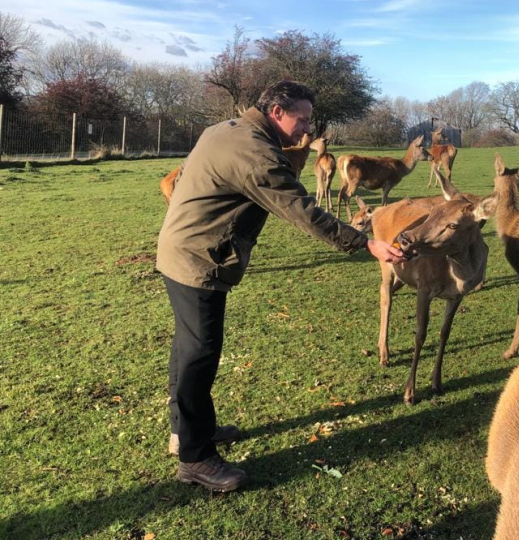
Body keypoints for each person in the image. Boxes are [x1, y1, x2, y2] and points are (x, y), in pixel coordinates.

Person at [156, 80, 405, 492]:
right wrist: (365, 241)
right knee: (200, 352)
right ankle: (195, 458)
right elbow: (301, 210)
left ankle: (186, 431)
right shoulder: (255, 152)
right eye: (301, 119)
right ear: (276, 113)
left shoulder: (226, 128)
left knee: (188, 347)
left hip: (180, 246)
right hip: (199, 258)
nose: (306, 129)